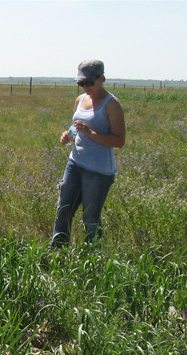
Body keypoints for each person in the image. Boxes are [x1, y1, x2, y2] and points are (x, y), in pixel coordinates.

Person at [49, 60, 126, 248]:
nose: (85, 87)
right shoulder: (81, 99)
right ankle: (56, 254)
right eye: (81, 83)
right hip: (75, 163)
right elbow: (76, 129)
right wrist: (68, 136)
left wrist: (90, 133)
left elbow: (119, 141)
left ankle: (91, 261)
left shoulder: (111, 104)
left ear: (102, 78)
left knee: (90, 219)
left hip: (98, 170)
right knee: (63, 211)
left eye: (89, 82)